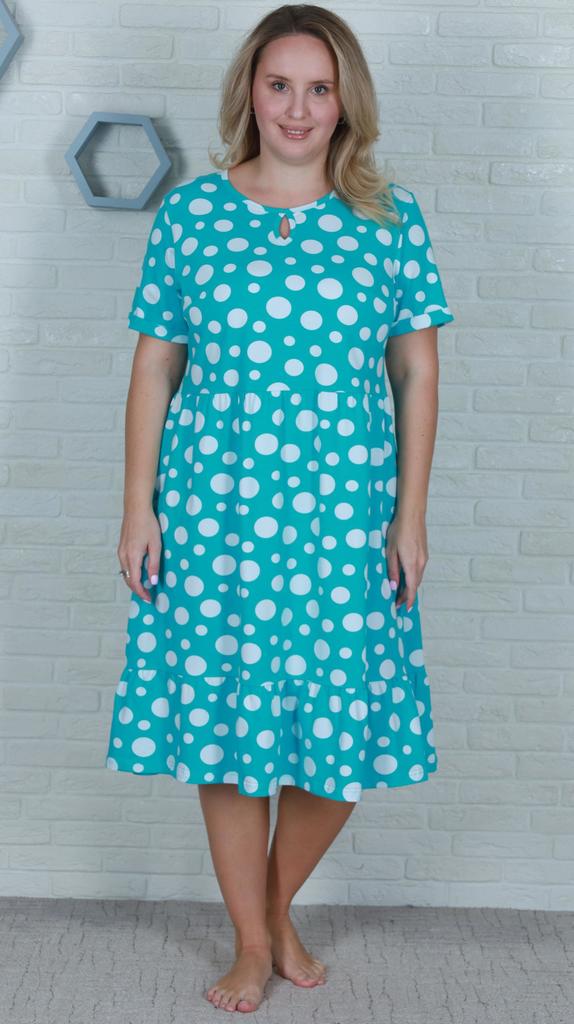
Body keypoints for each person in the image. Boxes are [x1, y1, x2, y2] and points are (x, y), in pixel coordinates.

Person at [105, 3, 455, 1013]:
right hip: (214, 514)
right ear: (249, 94)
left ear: (345, 101)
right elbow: (155, 366)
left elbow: (416, 374)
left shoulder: (390, 217)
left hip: (345, 519)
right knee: (225, 731)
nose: (297, 108)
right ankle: (254, 942)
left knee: (339, 733)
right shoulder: (193, 215)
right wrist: (138, 507)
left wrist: (411, 515)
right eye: (278, 85)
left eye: (318, 88)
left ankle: (271, 901)